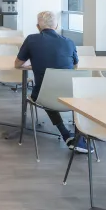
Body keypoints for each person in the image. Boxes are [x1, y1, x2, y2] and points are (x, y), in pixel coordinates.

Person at [14, 11, 88, 153]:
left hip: (44, 94)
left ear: (38, 26)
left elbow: (17, 64)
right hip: (70, 94)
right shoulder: (69, 42)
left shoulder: (31, 39)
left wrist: (32, 65)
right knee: (56, 90)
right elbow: (75, 66)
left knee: (46, 91)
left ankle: (65, 133)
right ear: (57, 26)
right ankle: (81, 135)